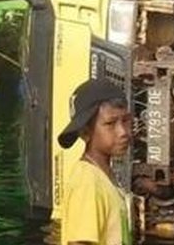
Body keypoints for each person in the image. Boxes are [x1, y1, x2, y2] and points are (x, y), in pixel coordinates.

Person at [57, 78, 133, 245]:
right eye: (110, 124)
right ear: (85, 133)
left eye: (125, 121)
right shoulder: (87, 182)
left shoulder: (104, 176)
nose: (123, 132)